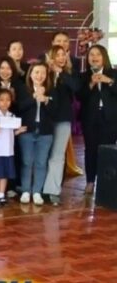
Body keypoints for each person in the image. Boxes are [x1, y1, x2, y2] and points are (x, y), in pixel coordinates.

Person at [43, 44, 80, 205]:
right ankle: (38, 189)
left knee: (58, 156)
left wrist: (60, 73)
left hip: (63, 119)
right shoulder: (44, 73)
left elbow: (76, 88)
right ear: (51, 57)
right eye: (57, 55)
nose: (61, 57)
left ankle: (53, 191)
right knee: (43, 155)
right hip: (46, 119)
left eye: (63, 54)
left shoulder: (69, 74)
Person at [78, 44, 117, 195]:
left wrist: (109, 81)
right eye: (91, 55)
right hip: (90, 118)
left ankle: (106, 183)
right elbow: (79, 96)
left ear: (104, 57)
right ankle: (90, 181)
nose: (94, 57)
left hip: (110, 119)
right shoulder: (83, 76)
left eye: (98, 54)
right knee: (90, 150)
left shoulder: (113, 73)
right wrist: (91, 84)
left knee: (107, 150)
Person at [15, 62, 56, 205]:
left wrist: (45, 100)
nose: (40, 75)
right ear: (30, 74)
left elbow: (55, 112)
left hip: (45, 133)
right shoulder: (23, 89)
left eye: (43, 73)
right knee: (27, 161)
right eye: (36, 72)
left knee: (41, 162)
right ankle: (26, 190)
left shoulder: (51, 90)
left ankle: (37, 191)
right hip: (27, 131)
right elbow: (19, 107)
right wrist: (34, 97)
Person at [0, 89, 26, 206]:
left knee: (4, 173)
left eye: (8, 100)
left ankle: (1, 194)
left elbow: (11, 133)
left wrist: (19, 131)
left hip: (8, 150)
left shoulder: (12, 116)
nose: (5, 103)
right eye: (2, 100)